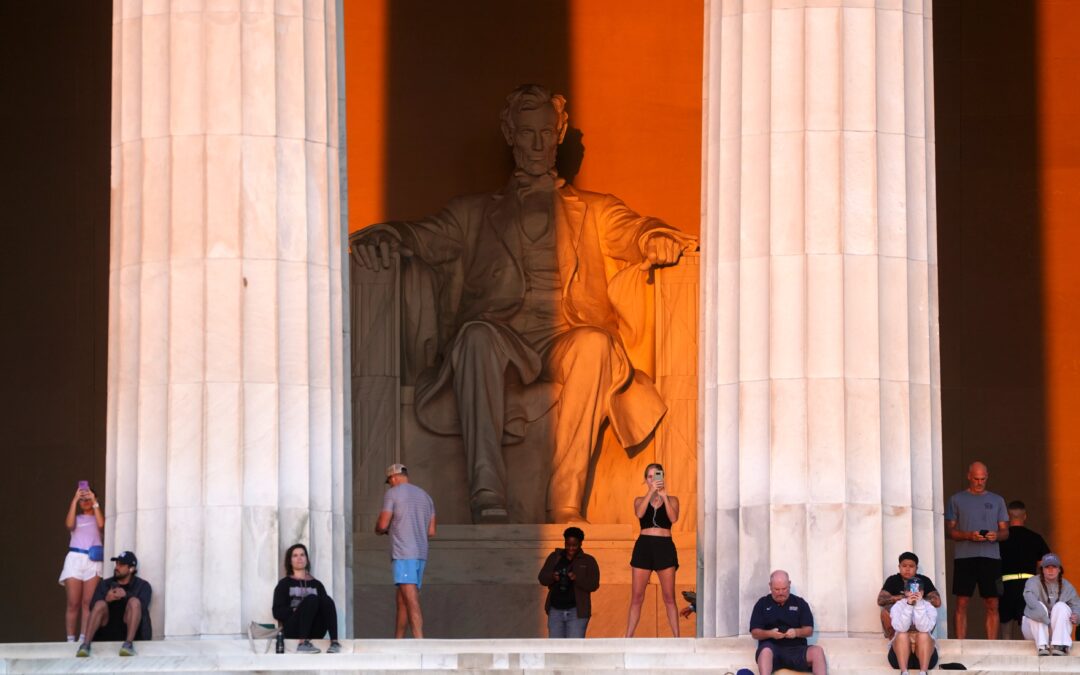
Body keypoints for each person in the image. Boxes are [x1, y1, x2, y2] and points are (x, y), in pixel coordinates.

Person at [352, 84, 696, 524]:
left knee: (595, 344)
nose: (538, 144)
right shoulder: (473, 212)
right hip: (500, 334)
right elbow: (423, 236)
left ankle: (565, 502)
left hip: (565, 333)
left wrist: (655, 237)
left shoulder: (593, 210)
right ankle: (486, 492)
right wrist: (389, 235)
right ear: (509, 134)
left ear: (559, 134)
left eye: (547, 133)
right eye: (528, 132)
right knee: (474, 337)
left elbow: (634, 231)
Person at [945, 460, 1009, 638]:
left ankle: (992, 645)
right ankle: (960, 644)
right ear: (968, 477)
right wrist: (968, 536)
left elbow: (1005, 532)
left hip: (991, 558)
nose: (979, 483)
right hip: (965, 557)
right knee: (962, 601)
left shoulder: (997, 500)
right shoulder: (956, 499)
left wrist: (996, 535)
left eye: (982, 479)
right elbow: (949, 531)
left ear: (987, 477)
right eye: (976, 479)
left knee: (992, 603)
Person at [376, 463, 436, 638]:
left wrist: (379, 529)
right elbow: (431, 531)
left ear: (393, 478)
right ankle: (398, 640)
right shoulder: (426, 496)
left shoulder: (392, 493)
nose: (390, 484)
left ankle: (420, 642)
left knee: (411, 600)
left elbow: (383, 524)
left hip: (403, 553)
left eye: (389, 481)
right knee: (402, 599)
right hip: (421, 553)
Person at [625, 463, 680, 637]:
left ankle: (677, 638)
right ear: (646, 480)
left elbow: (673, 518)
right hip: (644, 546)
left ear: (662, 477)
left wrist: (663, 496)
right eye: (650, 477)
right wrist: (650, 493)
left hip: (664, 546)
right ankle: (628, 636)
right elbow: (640, 514)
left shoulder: (672, 500)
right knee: (637, 596)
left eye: (656, 476)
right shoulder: (639, 500)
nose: (653, 480)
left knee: (669, 596)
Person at [749, 570, 827, 675]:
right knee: (765, 651)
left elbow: (809, 630)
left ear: (789, 585)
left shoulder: (800, 603)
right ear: (770, 586)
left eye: (784, 589)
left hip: (796, 649)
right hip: (772, 648)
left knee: (817, 651)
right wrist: (770, 634)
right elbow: (755, 632)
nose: (780, 593)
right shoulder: (762, 603)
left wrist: (796, 632)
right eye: (776, 589)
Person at [76, 551, 151, 658]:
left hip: (129, 630)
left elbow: (142, 608)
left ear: (131, 569)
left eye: (121, 565)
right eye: (116, 564)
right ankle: (85, 645)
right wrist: (106, 599)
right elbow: (92, 607)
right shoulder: (105, 584)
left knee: (134, 602)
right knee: (100, 603)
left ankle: (128, 644)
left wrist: (126, 595)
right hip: (106, 630)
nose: (117, 567)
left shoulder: (143, 586)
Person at [877, 552, 941, 675]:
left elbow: (937, 601)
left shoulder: (924, 581)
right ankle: (903, 668)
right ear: (899, 567)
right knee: (900, 633)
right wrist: (906, 601)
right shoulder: (893, 581)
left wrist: (919, 602)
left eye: (911, 566)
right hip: (900, 637)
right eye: (904, 566)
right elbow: (881, 600)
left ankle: (923, 672)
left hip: (922, 638)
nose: (907, 569)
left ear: (916, 568)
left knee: (923, 634)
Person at [271, 543, 341, 654]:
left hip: (315, 629)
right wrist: (297, 610)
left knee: (327, 600)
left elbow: (326, 609)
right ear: (290, 561)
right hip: (293, 629)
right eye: (295, 555)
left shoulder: (317, 584)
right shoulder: (284, 584)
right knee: (312, 599)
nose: (299, 558)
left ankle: (335, 643)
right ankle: (302, 644)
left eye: (302, 555)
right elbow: (277, 612)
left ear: (307, 559)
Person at [998, 500, 1050, 638]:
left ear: (1008, 516)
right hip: (1029, 586)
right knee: (1028, 626)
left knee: (1006, 629)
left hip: (1006, 585)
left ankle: (1005, 657)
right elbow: (1045, 564)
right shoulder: (1035, 538)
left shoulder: (1001, 539)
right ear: (1025, 516)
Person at [59, 483, 104, 643]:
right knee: (73, 603)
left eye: (88, 497)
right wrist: (74, 499)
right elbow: (69, 524)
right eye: (82, 498)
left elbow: (101, 525)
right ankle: (70, 639)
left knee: (88, 602)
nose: (85, 500)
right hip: (75, 558)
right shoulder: (76, 518)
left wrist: (94, 501)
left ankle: (83, 638)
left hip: (93, 560)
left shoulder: (99, 515)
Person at [538, 526, 600, 637]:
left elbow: (594, 584)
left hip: (577, 612)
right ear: (564, 542)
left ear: (581, 544)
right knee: (555, 649)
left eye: (574, 545)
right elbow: (542, 578)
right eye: (568, 545)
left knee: (573, 649)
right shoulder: (555, 557)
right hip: (555, 611)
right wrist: (553, 577)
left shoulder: (588, 561)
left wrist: (576, 578)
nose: (571, 548)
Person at [1021, 552, 1080, 656]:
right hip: (1034, 631)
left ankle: (1060, 646)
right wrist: (1047, 621)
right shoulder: (1032, 582)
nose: (1050, 570)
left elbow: (1076, 605)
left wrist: (1076, 615)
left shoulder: (1067, 585)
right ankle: (1042, 646)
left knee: (1061, 606)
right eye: (1047, 567)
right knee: (1039, 607)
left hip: (1055, 631)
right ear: (1042, 569)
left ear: (1059, 569)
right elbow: (1031, 601)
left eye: (1054, 567)